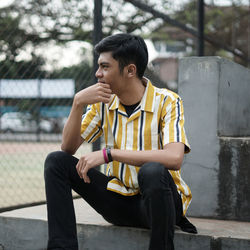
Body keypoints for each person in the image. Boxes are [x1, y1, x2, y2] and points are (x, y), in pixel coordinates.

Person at [44, 33, 197, 250]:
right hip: (119, 202)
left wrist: (109, 154)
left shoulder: (168, 101)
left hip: (159, 205)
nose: (98, 74)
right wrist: (78, 103)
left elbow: (174, 157)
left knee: (152, 171)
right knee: (56, 161)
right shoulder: (102, 103)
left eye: (105, 67)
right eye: (98, 66)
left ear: (130, 70)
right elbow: (68, 148)